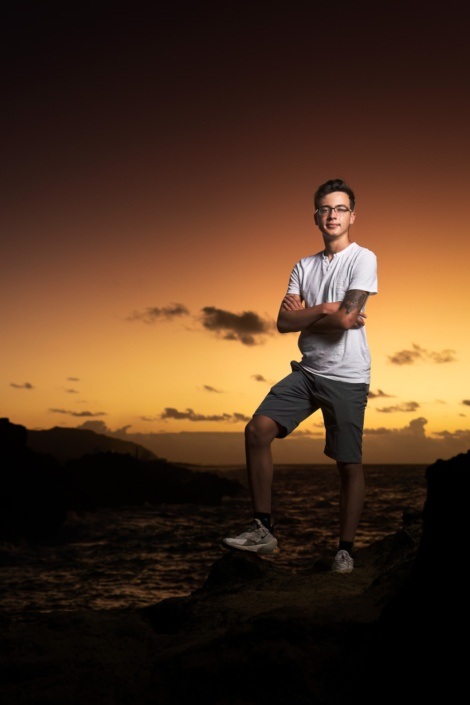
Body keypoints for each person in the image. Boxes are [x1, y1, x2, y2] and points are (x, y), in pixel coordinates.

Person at [222, 178, 378, 573]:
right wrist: (326, 309)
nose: (332, 215)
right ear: (315, 216)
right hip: (307, 372)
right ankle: (263, 529)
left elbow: (343, 320)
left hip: (347, 375)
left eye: (340, 209)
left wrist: (312, 316)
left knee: (348, 465)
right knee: (257, 430)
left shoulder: (364, 258)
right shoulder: (303, 265)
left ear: (352, 216)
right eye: (325, 209)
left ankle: (345, 549)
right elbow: (281, 322)